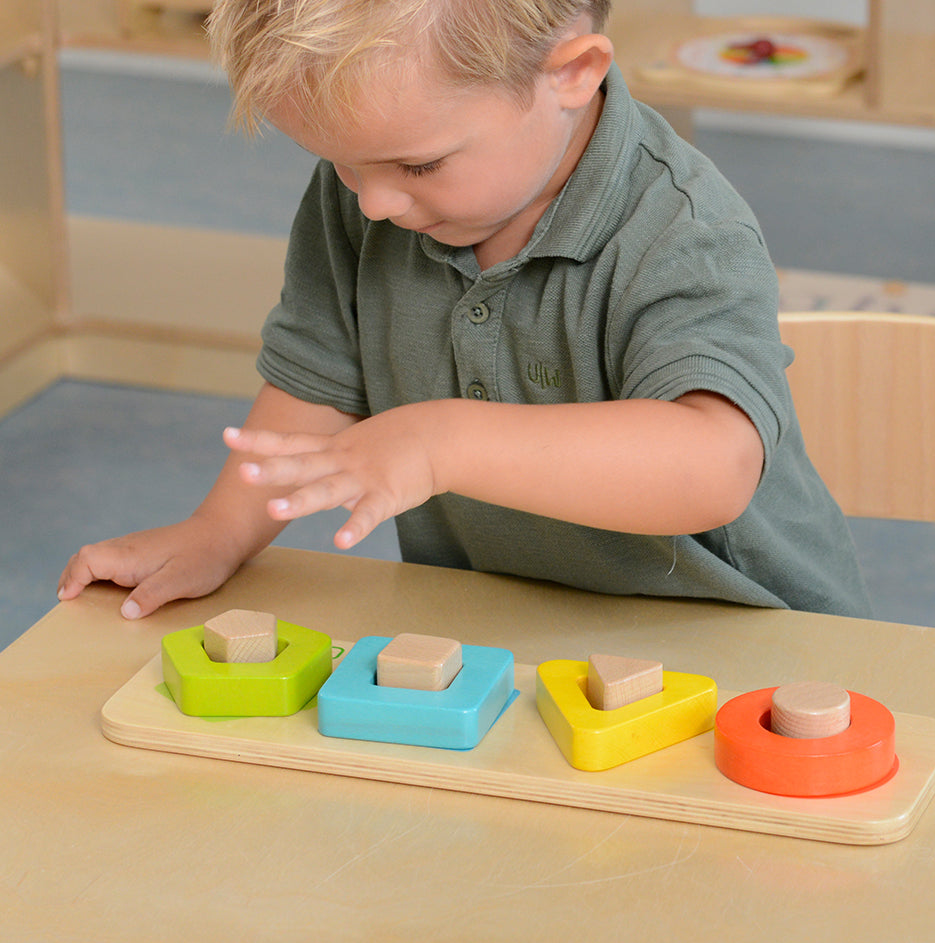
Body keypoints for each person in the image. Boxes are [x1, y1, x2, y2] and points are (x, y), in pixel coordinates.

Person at [58, 0, 870, 620]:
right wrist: (217, 533)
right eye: (339, 162)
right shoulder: (374, 193)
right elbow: (317, 380)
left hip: (743, 643)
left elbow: (712, 465)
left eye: (418, 163)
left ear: (571, 73)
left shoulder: (684, 227)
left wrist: (442, 441)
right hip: (510, 625)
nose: (373, 202)